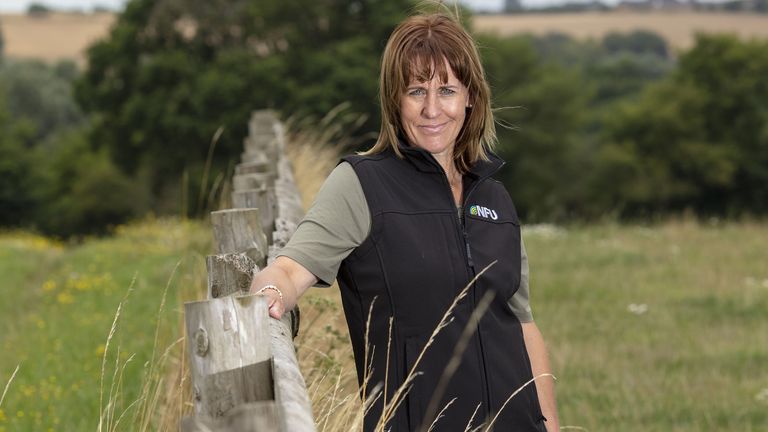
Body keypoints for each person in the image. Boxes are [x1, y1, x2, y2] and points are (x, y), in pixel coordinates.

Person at [249, 11, 559, 432]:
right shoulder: (361, 184)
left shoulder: (494, 197)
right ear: (395, 99)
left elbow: (521, 321)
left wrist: (549, 424)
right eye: (417, 91)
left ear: (470, 97)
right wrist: (269, 292)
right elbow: (289, 268)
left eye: (446, 90)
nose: (433, 109)